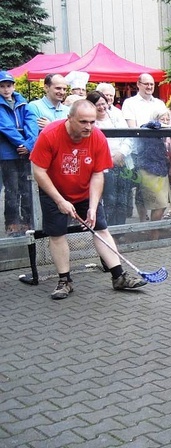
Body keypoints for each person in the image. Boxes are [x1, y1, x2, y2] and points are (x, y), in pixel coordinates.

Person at [29, 100, 147, 299]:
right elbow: (39, 171)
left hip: (84, 190)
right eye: (83, 122)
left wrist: (93, 207)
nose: (88, 127)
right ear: (69, 118)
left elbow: (98, 174)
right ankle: (65, 280)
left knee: (101, 229)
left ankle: (119, 277)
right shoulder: (50, 134)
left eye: (92, 122)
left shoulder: (97, 137)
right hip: (54, 190)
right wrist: (59, 200)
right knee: (57, 234)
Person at [0, 71, 38, 237]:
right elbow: (6, 127)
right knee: (12, 190)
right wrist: (22, 144)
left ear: (14, 86)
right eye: (2, 86)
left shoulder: (23, 103)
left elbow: (32, 123)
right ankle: (13, 222)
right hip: (8, 154)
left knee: (27, 188)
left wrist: (30, 144)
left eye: (9, 85)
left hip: (25, 153)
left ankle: (29, 220)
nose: (6, 89)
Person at [86, 91, 133, 226]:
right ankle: (109, 229)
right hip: (103, 167)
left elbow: (128, 136)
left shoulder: (116, 116)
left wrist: (122, 153)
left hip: (122, 162)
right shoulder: (90, 122)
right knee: (110, 200)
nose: (101, 107)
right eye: (97, 105)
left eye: (103, 103)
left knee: (122, 199)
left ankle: (122, 229)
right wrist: (110, 159)